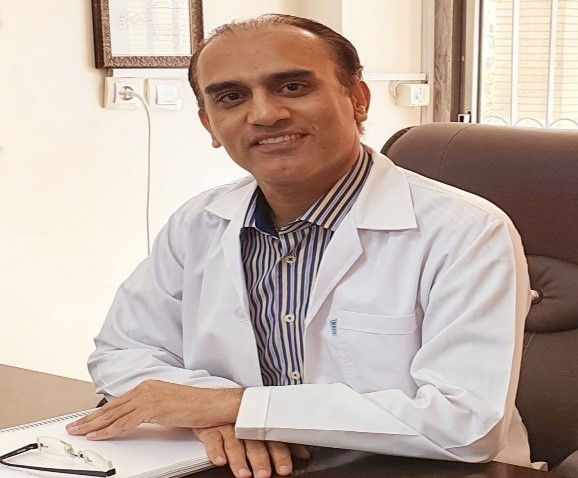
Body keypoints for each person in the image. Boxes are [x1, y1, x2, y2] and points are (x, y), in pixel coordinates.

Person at [66, 13, 535, 478]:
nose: (265, 114)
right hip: (246, 467)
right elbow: (121, 353)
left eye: (292, 87)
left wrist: (238, 407)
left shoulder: (466, 231)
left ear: (358, 99)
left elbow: (465, 424)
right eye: (231, 97)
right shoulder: (199, 221)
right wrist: (213, 414)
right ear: (210, 124)